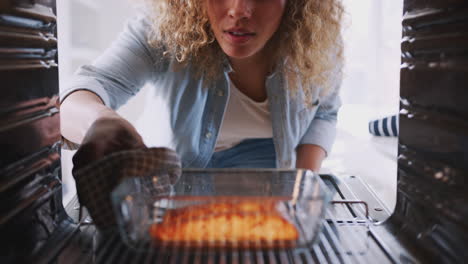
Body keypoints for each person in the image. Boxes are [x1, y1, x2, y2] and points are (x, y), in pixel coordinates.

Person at [60, 0, 344, 172]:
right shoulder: (163, 27)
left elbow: (324, 114)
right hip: (172, 175)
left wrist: (303, 184)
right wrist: (102, 124)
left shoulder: (316, 42)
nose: (239, 10)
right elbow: (82, 93)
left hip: (269, 168)